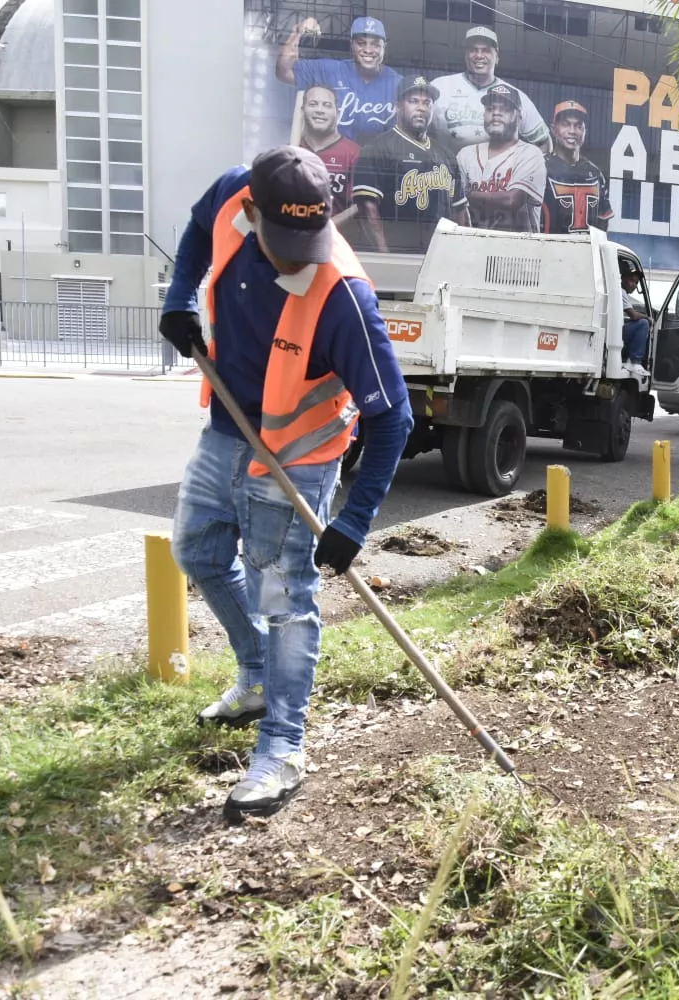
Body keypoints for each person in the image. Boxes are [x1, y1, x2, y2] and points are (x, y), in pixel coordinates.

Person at [158, 146, 414, 823]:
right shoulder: (230, 192)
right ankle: (257, 681)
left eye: (313, 239)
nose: (302, 254)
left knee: (283, 597)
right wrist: (180, 296)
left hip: (298, 460)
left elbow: (394, 419)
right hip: (227, 427)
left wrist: (353, 523)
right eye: (287, 240)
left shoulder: (344, 298)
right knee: (200, 553)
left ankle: (283, 749)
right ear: (251, 210)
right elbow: (192, 231)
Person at [351, 75, 467, 254]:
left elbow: (459, 211)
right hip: (397, 253)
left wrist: (462, 252)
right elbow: (367, 207)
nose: (421, 108)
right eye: (413, 101)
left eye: (427, 102)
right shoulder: (377, 148)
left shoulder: (446, 155)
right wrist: (385, 256)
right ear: (398, 106)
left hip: (438, 255)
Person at [276, 16, 401, 145]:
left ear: (384, 47)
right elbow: (284, 71)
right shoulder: (330, 70)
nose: (368, 50)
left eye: (375, 44)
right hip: (333, 160)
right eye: (361, 43)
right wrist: (298, 31)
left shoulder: (398, 83)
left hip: (376, 162)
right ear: (351, 44)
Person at [431, 27, 549, 151]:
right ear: (466, 56)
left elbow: (542, 141)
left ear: (497, 57)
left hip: (497, 169)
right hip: (447, 169)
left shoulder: (514, 95)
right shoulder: (441, 86)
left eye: (486, 50)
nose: (479, 55)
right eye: (473, 50)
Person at [455, 84, 548, 233]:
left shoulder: (531, 154)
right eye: (490, 109)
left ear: (518, 117)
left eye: (505, 109)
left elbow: (512, 201)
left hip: (518, 250)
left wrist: (468, 195)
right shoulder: (465, 155)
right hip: (473, 248)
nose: (496, 114)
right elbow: (455, 207)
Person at [542, 101, 613, 234]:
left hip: (585, 252)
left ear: (585, 131)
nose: (572, 131)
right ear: (553, 129)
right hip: (548, 250)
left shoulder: (595, 173)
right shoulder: (540, 167)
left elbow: (603, 222)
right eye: (565, 124)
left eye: (578, 126)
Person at [297, 85, 362, 221]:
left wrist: (328, 227)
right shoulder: (290, 151)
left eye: (327, 105)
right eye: (313, 104)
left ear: (337, 113)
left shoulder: (354, 153)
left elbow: (358, 205)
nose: (320, 110)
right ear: (302, 111)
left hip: (335, 237)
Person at [619, 269, 649, 376]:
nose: (635, 285)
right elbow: (634, 315)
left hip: (612, 332)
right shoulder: (620, 291)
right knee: (643, 323)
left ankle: (626, 359)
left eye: (636, 283)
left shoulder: (622, 293)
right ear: (623, 278)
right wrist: (648, 318)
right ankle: (634, 362)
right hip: (613, 334)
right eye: (632, 280)